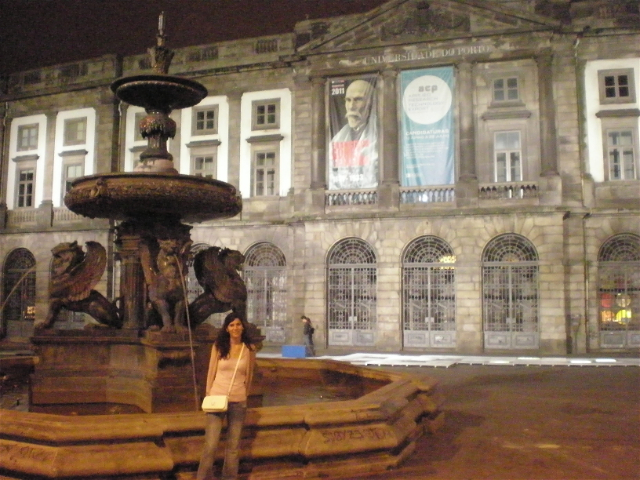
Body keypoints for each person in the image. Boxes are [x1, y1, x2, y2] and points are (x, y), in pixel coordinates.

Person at [197, 313, 257, 480]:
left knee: (233, 447)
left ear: (242, 327)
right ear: (226, 328)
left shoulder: (249, 349)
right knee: (211, 445)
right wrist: (208, 394)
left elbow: (249, 375)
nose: (235, 328)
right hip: (217, 398)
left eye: (238, 324)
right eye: (231, 325)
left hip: (238, 401)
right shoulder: (219, 346)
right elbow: (211, 372)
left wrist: (244, 394)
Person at [329, 78, 378, 190]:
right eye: (348, 100)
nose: (351, 106)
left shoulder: (381, 134)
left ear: (371, 103)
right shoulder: (338, 139)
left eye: (358, 100)